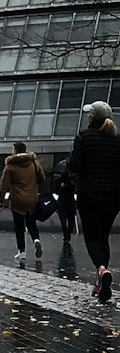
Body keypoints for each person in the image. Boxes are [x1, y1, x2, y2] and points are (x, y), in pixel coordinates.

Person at [68, 100, 120, 302]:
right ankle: (101, 283)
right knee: (103, 237)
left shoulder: (83, 137)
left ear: (91, 118)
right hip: (114, 196)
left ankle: (102, 270)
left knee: (91, 238)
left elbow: (75, 165)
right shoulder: (117, 139)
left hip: (89, 194)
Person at [0, 141, 45, 260]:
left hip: (17, 200)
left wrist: (1, 200)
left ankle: (22, 252)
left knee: (19, 226)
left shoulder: (11, 165)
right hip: (32, 198)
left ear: (15, 150)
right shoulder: (34, 163)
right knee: (31, 223)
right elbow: (42, 178)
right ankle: (36, 240)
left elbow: (4, 184)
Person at [52, 158, 77, 244]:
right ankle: (66, 235)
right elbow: (56, 190)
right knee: (64, 220)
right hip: (64, 201)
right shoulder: (60, 179)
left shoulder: (73, 179)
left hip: (68, 200)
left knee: (70, 221)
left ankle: (67, 234)